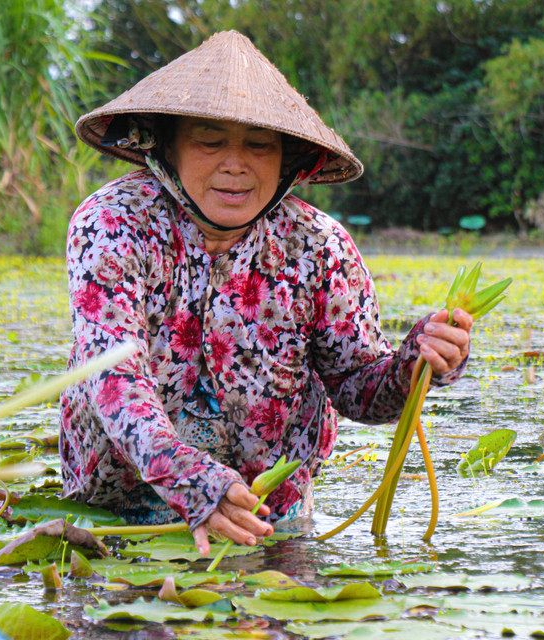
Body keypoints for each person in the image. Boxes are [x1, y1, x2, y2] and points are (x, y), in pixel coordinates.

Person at [60, 31, 473, 555]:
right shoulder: (112, 223)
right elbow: (114, 380)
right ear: (165, 145)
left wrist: (419, 361)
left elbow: (358, 387)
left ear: (289, 160)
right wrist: (195, 482)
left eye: (259, 144)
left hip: (271, 522)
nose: (236, 164)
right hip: (120, 519)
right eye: (210, 140)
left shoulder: (319, 246)